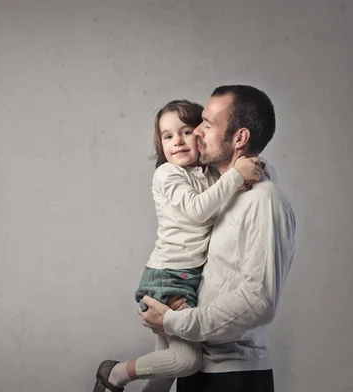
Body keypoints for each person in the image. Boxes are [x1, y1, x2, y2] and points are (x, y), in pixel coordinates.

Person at [92, 99, 264, 392]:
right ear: (160, 144)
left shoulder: (208, 173)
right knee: (186, 362)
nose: (178, 141)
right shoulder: (167, 174)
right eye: (168, 136)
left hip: (189, 275)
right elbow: (198, 210)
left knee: (165, 369)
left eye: (186, 132)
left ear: (201, 134)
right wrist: (237, 175)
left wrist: (253, 168)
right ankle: (116, 374)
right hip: (169, 276)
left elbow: (237, 181)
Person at [139, 85, 296, 392]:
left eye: (206, 124)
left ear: (239, 138)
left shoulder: (265, 200)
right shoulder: (220, 190)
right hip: (198, 364)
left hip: (232, 375)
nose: (196, 132)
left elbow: (259, 301)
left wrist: (174, 322)